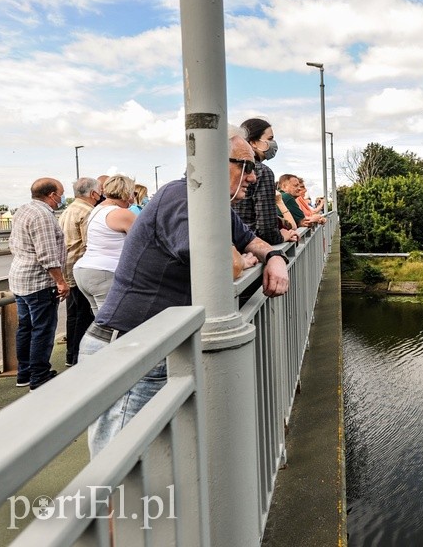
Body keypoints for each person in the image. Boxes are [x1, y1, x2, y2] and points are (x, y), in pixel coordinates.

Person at [82, 126, 290, 458]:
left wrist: (275, 258)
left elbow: (252, 242)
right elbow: (225, 263)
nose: (253, 177)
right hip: (129, 346)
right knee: (121, 468)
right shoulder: (181, 197)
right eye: (246, 166)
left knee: (152, 463)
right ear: (212, 162)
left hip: (156, 345)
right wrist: (240, 258)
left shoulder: (213, 207)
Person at [8, 178, 69, 390]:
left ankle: (23, 373)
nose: (61, 197)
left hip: (19, 278)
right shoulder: (43, 216)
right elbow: (47, 254)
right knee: (42, 329)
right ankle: (40, 376)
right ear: (51, 194)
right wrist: (61, 281)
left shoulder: (23, 210)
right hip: (38, 282)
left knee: (25, 327)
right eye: (60, 193)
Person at [73, 174, 137, 314]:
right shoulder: (122, 213)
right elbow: (144, 242)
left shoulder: (97, 209)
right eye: (134, 192)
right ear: (127, 192)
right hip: (104, 271)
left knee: (100, 323)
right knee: (113, 324)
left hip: (83, 270)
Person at [58, 177, 101, 367]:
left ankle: (71, 356)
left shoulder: (68, 210)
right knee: (84, 315)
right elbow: (89, 243)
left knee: (73, 315)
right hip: (82, 267)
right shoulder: (89, 212)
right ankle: (78, 358)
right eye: (99, 192)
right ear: (93, 194)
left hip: (68, 268)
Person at [235, 117, 299, 244]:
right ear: (253, 142)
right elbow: (266, 230)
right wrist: (282, 236)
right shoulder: (263, 172)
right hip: (254, 246)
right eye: (270, 139)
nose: (273, 143)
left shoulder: (233, 167)